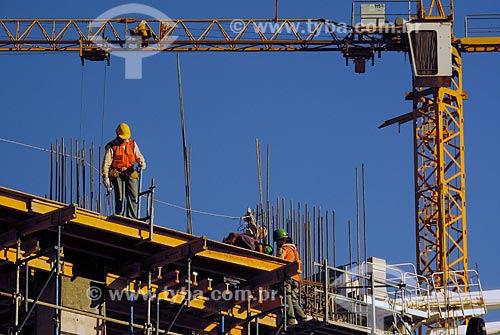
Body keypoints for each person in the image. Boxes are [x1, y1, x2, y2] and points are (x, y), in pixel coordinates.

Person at [102, 123, 146, 219]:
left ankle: (132, 217)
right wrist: (106, 177)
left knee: (133, 196)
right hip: (117, 173)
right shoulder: (112, 146)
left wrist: (142, 162)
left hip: (130, 172)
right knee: (120, 198)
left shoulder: (132, 144)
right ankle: (120, 217)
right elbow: (106, 163)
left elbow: (139, 156)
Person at [274, 228, 312, 326]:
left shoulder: (283, 249)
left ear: (283, 240)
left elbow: (277, 264)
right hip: (296, 279)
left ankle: (291, 319)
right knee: (293, 299)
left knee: (287, 298)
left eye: (278, 241)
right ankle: (302, 317)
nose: (277, 244)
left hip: (287, 278)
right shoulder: (294, 250)